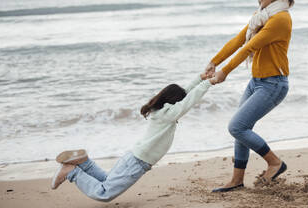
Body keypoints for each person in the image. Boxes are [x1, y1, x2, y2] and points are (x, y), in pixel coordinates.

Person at [51, 73, 214, 202]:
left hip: (134, 157)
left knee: (106, 180)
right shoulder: (168, 114)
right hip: (137, 162)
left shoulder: (162, 110)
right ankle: (71, 171)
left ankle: (84, 163)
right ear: (174, 102)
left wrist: (200, 78)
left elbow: (183, 96)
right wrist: (208, 83)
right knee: (104, 193)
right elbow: (187, 102)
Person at [207, 0, 294, 192]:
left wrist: (225, 72)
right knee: (241, 128)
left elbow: (249, 47)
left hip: (274, 84)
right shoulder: (261, 17)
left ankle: (275, 163)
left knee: (237, 127)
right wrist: (214, 62)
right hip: (256, 82)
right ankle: (236, 180)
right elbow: (239, 40)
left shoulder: (279, 19)